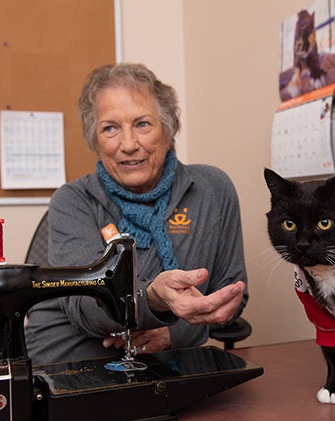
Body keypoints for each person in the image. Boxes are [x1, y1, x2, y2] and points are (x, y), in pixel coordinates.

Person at [25, 63, 248, 363]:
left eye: (143, 124)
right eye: (110, 128)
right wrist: (153, 299)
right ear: (95, 141)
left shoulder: (213, 190)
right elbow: (86, 308)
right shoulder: (72, 201)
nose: (128, 145)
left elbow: (232, 293)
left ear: (169, 131)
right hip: (73, 364)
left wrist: (174, 333)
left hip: (168, 368)